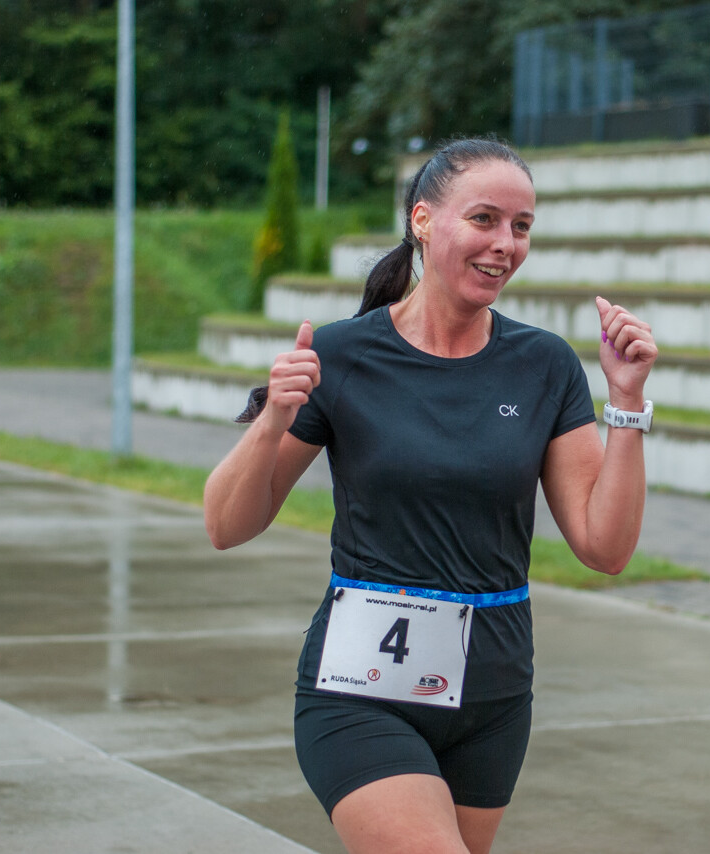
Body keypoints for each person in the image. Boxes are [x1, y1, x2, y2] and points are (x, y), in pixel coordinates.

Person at [203, 136, 657, 854]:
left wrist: (626, 404)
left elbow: (605, 549)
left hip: (495, 694)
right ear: (422, 220)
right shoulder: (343, 354)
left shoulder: (543, 365)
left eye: (522, 226)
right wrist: (273, 422)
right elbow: (226, 524)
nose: (505, 244)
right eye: (484, 219)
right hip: (362, 689)